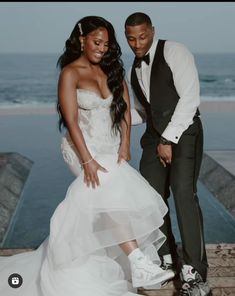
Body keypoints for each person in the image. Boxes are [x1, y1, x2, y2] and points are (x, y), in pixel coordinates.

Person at [0, 16, 175, 296]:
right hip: (80, 148)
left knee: (110, 201)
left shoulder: (111, 70)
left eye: (106, 44)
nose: (102, 48)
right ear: (81, 40)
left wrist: (126, 144)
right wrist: (86, 160)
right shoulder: (70, 73)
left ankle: (116, 264)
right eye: (96, 42)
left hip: (110, 147)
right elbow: (70, 120)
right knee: (107, 192)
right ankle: (138, 261)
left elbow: (126, 110)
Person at [124, 12, 211, 295]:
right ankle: (166, 258)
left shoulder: (175, 51)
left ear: (153, 31)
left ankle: (195, 271)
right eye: (131, 38)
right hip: (153, 137)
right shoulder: (133, 69)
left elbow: (190, 98)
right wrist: (113, 117)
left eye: (142, 36)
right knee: (151, 199)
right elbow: (141, 111)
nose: (137, 44)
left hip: (183, 132)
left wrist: (167, 138)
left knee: (184, 194)